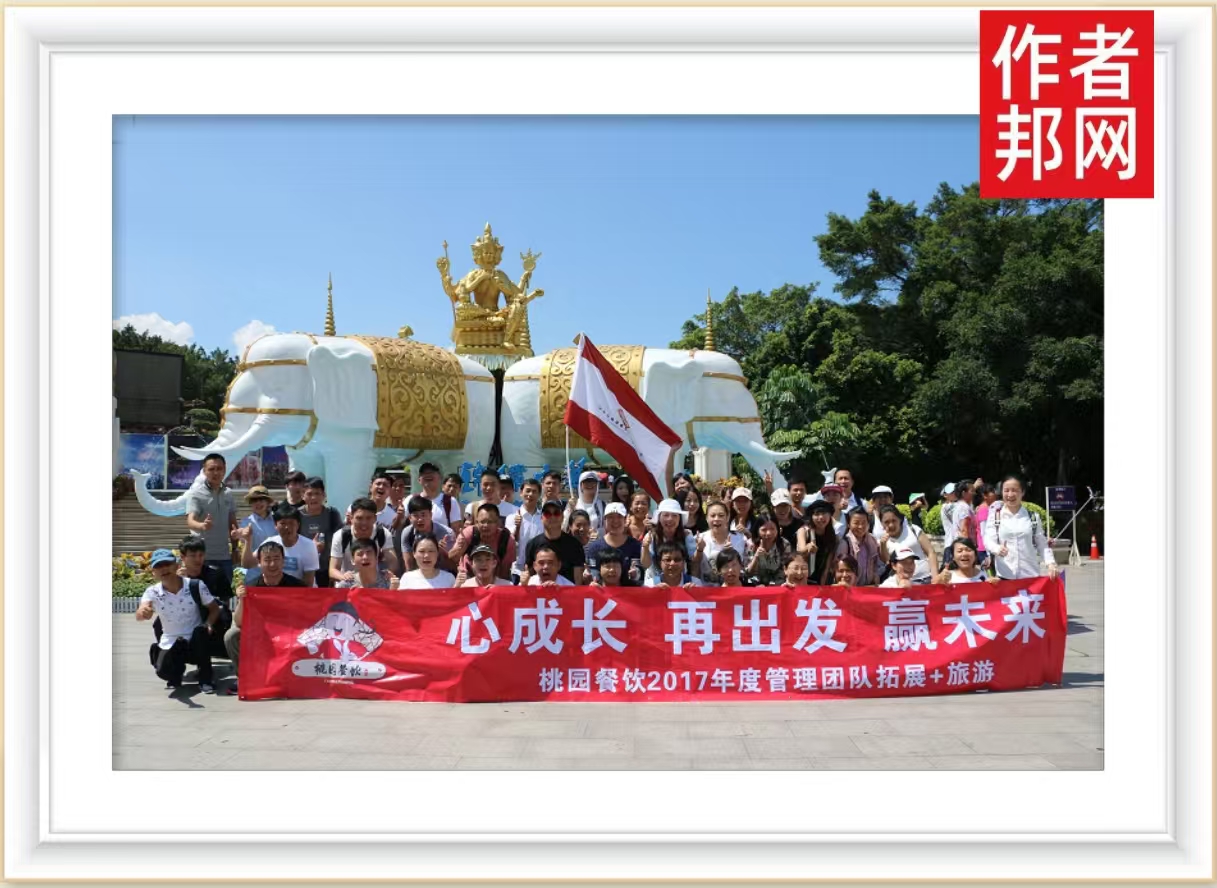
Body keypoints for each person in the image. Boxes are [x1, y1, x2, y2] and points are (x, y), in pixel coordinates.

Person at [136, 548, 219, 694]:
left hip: (195, 640)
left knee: (201, 633)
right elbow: (141, 613)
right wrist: (143, 613)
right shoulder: (152, 592)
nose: (164, 569)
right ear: (153, 572)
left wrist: (209, 624)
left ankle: (205, 678)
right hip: (171, 641)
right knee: (163, 671)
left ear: (177, 565)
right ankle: (175, 674)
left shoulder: (195, 585)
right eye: (158, 566)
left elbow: (214, 608)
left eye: (167, 564)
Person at [225, 539, 304, 693]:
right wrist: (242, 599)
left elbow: (306, 616)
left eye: (276, 559)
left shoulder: (297, 586)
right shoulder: (251, 586)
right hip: (261, 633)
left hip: (289, 632)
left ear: (283, 561)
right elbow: (239, 622)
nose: (272, 564)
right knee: (232, 635)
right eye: (267, 560)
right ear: (259, 563)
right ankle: (245, 677)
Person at [185, 452, 239, 603]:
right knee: (202, 601)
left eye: (219, 469)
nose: (216, 472)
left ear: (224, 470)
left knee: (224, 600)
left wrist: (235, 548)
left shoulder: (228, 493)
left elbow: (232, 523)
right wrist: (202, 525)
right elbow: (190, 521)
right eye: (211, 469)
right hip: (203, 558)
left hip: (224, 557)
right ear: (204, 471)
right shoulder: (196, 494)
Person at [983, 475, 1059, 579]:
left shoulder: (1033, 517)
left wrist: (1050, 563)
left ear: (1022, 492)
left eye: (1014, 490)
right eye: (1006, 490)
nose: (1010, 494)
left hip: (1030, 575)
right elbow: (988, 540)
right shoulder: (995, 517)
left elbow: (1041, 543)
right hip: (1005, 575)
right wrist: (997, 548)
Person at [242, 503, 318, 585]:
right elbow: (247, 564)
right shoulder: (270, 542)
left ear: (298, 525)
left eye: (291, 523)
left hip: (300, 589)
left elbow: (308, 582)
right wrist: (248, 540)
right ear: (275, 525)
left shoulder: (309, 546)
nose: (287, 527)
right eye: (283, 523)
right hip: (277, 589)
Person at [330, 497, 397, 584]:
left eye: (368, 518)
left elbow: (392, 561)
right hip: (348, 582)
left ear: (375, 518)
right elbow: (333, 569)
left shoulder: (383, 533)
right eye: (359, 518)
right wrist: (344, 578)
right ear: (351, 518)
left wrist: (387, 574)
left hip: (374, 583)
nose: (364, 523)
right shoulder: (340, 536)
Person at [522, 499, 587, 584]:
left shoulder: (575, 545)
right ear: (541, 518)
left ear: (562, 517)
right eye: (547, 514)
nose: (552, 517)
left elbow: (578, 580)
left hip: (567, 591)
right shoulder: (532, 544)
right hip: (540, 591)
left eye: (556, 513)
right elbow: (528, 577)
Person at [450, 502, 517, 581]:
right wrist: (458, 550)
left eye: (490, 522)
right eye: (482, 522)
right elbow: (451, 559)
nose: (486, 525)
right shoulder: (468, 533)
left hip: (496, 579)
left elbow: (505, 571)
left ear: (498, 523)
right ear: (476, 522)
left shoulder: (507, 539)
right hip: (469, 578)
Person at [298, 477, 344, 587]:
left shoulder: (332, 514)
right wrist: (311, 547)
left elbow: (341, 539)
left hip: (326, 569)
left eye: (317, 493)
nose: (314, 497)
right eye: (309, 494)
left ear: (324, 495)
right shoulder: (297, 515)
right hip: (303, 569)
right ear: (303, 496)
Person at [640, 498, 699, 582]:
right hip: (655, 581)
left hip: (680, 582)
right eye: (666, 515)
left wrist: (700, 549)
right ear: (659, 518)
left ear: (679, 519)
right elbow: (646, 564)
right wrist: (645, 547)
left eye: (674, 515)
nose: (670, 519)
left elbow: (694, 560)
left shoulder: (686, 535)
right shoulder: (651, 536)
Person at [876, 504, 938, 582]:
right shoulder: (883, 541)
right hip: (904, 583)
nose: (891, 525)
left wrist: (935, 577)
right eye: (886, 522)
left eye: (894, 520)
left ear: (899, 519)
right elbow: (887, 561)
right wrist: (883, 545)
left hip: (926, 578)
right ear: (881, 523)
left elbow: (930, 552)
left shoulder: (913, 529)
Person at [396, 495, 456, 573]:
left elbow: (453, 566)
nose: (420, 519)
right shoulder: (407, 533)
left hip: (443, 575)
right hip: (418, 575)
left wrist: (441, 553)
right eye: (416, 515)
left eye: (423, 515)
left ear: (431, 515)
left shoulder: (446, 533)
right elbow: (409, 566)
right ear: (410, 518)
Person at [585, 502, 642, 582]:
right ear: (604, 520)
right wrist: (589, 577)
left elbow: (640, 574)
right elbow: (593, 572)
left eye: (619, 517)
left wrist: (636, 574)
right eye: (610, 517)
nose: (615, 521)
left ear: (625, 520)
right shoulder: (594, 547)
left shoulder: (635, 545)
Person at [698, 500, 749, 583]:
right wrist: (699, 550)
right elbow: (694, 567)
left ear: (727, 517)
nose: (716, 519)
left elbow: (747, 568)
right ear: (706, 518)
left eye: (721, 515)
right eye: (712, 516)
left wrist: (732, 553)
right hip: (707, 588)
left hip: (734, 587)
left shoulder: (740, 539)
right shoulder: (699, 539)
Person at [508, 477, 545, 583]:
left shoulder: (543, 518)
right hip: (517, 571)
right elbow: (510, 543)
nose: (530, 494)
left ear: (539, 495)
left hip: (538, 570)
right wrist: (517, 527)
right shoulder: (512, 517)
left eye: (534, 491)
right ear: (521, 493)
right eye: (528, 491)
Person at [836, 507, 884, 586]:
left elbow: (879, 564)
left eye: (864, 522)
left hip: (869, 587)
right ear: (848, 524)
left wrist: (876, 575)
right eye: (856, 523)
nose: (860, 526)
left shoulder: (873, 540)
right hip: (850, 588)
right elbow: (838, 569)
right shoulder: (845, 543)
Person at [800, 499, 840, 585]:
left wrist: (822, 582)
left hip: (822, 579)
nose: (821, 517)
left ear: (830, 515)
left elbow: (827, 565)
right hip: (802, 577)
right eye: (817, 514)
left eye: (824, 513)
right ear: (811, 517)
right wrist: (807, 548)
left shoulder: (833, 537)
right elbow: (800, 550)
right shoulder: (804, 531)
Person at [746, 513, 792, 586]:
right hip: (755, 584)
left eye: (772, 529)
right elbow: (748, 573)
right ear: (757, 530)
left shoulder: (784, 544)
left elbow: (785, 570)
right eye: (764, 530)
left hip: (778, 584)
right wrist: (756, 556)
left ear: (778, 529)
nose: (768, 533)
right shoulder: (750, 544)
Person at [566, 470, 605, 535]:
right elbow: (564, 527)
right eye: (586, 482)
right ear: (580, 485)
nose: (589, 484)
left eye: (593, 482)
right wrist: (570, 511)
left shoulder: (603, 505)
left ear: (597, 485)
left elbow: (608, 527)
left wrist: (597, 533)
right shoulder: (573, 504)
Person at [240, 485, 278, 552]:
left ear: (267, 502)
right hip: (255, 558)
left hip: (276, 557)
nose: (258, 503)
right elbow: (243, 542)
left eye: (261, 499)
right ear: (250, 503)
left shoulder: (277, 520)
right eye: (254, 500)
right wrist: (242, 535)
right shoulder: (246, 522)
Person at [974, 483, 998, 569]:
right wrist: (988, 553)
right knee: (989, 574)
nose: (995, 493)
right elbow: (984, 532)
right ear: (984, 496)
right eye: (992, 491)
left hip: (989, 548)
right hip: (985, 549)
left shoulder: (989, 508)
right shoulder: (984, 510)